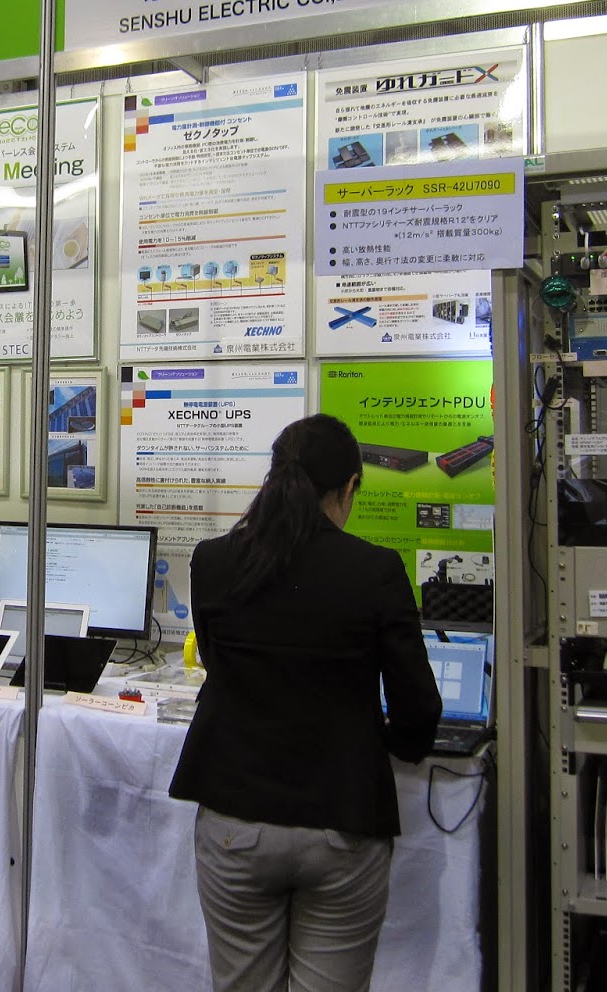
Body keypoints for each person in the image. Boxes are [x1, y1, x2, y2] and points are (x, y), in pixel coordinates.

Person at [168, 413, 442, 992]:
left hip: (234, 817)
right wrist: (398, 745)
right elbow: (418, 705)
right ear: (349, 486)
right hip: (342, 819)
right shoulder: (376, 570)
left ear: (274, 480)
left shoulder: (213, 561)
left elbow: (216, 662)